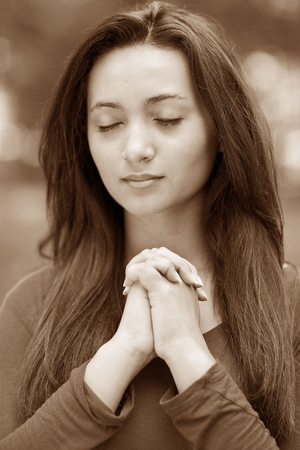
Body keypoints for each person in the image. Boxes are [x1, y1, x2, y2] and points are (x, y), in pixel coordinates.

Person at [0, 1, 299, 449]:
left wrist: (186, 352)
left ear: (222, 129)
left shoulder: (289, 307)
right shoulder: (31, 307)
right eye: (108, 124)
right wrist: (121, 355)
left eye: (166, 119)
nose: (135, 148)